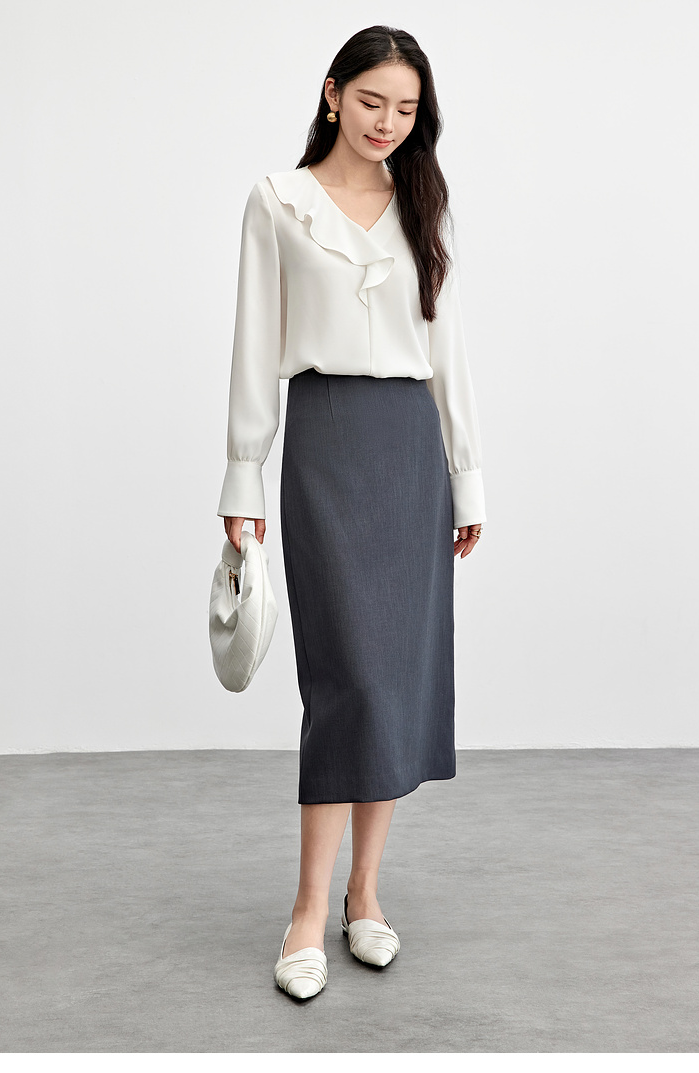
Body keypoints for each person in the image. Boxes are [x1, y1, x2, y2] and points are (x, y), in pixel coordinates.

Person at [217, 25, 486, 1000]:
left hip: (412, 450)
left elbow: (448, 348)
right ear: (332, 94)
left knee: (395, 683)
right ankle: (305, 909)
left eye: (407, 109)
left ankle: (363, 894)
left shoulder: (423, 202)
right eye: (372, 101)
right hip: (326, 439)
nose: (387, 123)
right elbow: (255, 346)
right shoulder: (277, 201)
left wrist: (468, 476)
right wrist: (241, 482)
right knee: (346, 681)